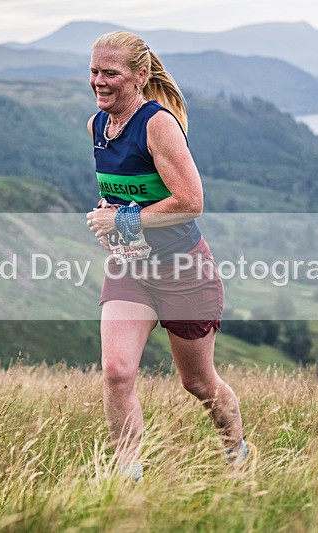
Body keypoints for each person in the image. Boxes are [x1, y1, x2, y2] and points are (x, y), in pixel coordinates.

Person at [85, 31, 254, 481]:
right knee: (118, 372)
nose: (99, 81)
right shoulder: (97, 126)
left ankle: (236, 451)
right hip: (131, 268)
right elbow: (123, 188)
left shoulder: (157, 124)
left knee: (197, 383)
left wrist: (121, 221)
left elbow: (190, 201)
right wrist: (108, 214)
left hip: (184, 270)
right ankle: (127, 478)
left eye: (110, 73)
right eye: (94, 72)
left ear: (140, 76)